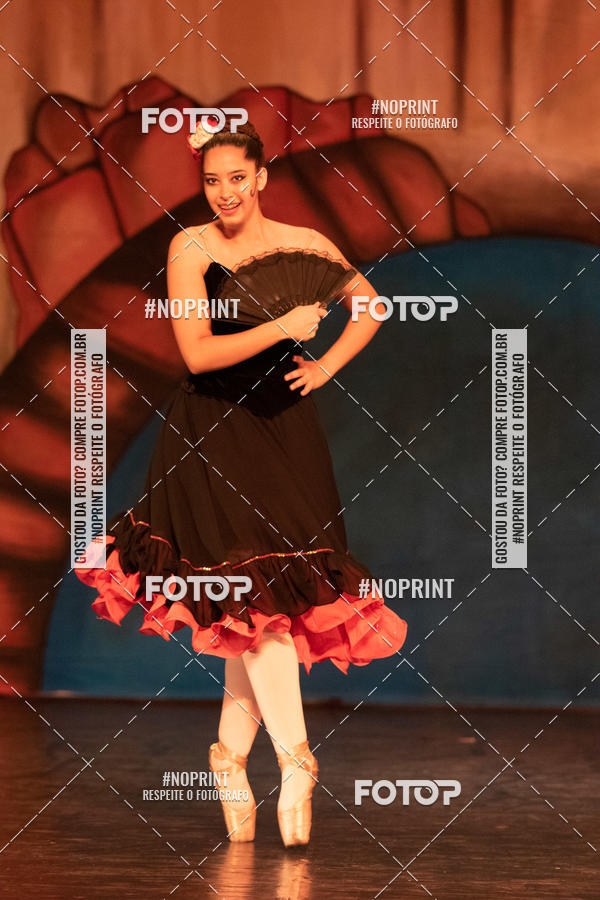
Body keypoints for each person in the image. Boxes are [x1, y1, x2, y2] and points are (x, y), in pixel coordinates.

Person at [76, 116, 408, 848]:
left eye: (236, 178)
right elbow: (197, 353)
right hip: (211, 430)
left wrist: (325, 364)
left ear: (261, 178)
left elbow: (371, 307)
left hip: (284, 430)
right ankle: (297, 760)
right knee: (254, 601)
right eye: (211, 181)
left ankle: (228, 758)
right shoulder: (190, 247)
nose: (225, 192)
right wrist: (284, 326)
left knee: (261, 605)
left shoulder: (303, 243)